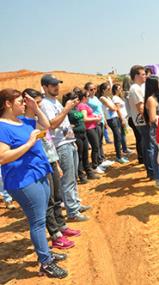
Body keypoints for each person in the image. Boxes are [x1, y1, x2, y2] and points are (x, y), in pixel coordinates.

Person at [0, 88, 68, 278]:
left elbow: (46, 126)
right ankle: (45, 263)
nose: (23, 104)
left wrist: (35, 108)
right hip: (24, 181)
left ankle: (45, 254)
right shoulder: (2, 127)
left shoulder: (22, 121)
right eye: (20, 101)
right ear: (7, 104)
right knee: (37, 222)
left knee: (42, 216)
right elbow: (3, 157)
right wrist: (29, 144)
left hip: (39, 174)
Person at [24, 88, 81, 250]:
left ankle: (61, 226)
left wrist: (55, 163)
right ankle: (55, 234)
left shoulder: (38, 118)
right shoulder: (24, 122)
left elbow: (47, 133)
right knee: (48, 201)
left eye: (40, 103)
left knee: (57, 197)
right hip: (40, 164)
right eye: (37, 103)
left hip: (51, 160)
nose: (40, 106)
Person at [40, 74, 90, 222]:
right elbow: (52, 124)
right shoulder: (45, 104)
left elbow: (64, 123)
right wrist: (67, 109)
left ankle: (75, 203)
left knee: (73, 177)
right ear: (45, 87)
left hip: (68, 141)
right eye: (53, 84)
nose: (57, 87)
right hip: (60, 145)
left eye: (57, 84)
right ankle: (73, 212)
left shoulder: (54, 101)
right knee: (68, 180)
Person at [128, 65, 153, 178]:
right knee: (149, 147)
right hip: (143, 121)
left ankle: (151, 171)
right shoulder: (135, 89)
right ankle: (152, 172)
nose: (145, 76)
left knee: (146, 146)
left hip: (141, 121)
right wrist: (150, 120)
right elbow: (141, 108)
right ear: (136, 75)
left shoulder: (137, 88)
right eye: (143, 74)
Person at [85, 82, 114, 170]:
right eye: (91, 89)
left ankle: (101, 159)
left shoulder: (96, 98)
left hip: (100, 121)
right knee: (96, 144)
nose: (93, 91)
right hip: (94, 123)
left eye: (94, 89)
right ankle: (96, 163)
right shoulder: (87, 100)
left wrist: (104, 120)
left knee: (100, 142)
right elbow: (87, 112)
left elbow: (100, 109)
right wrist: (95, 118)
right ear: (87, 90)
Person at [98, 82, 129, 164]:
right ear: (103, 90)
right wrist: (114, 107)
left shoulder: (108, 97)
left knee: (118, 137)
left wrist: (114, 107)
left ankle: (120, 155)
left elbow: (114, 108)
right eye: (108, 89)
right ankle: (119, 157)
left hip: (115, 118)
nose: (110, 90)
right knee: (118, 137)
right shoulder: (102, 98)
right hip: (111, 119)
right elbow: (113, 108)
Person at [76, 88, 104, 174]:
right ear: (84, 97)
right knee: (95, 147)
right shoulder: (82, 106)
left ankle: (95, 165)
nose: (88, 98)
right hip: (89, 128)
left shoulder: (83, 104)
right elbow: (84, 119)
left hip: (92, 127)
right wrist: (95, 119)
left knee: (96, 146)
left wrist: (95, 117)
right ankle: (95, 166)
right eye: (87, 96)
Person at [112, 84, 132, 156]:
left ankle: (125, 148)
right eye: (118, 88)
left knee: (123, 133)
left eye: (120, 88)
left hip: (123, 117)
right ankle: (124, 149)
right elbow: (118, 110)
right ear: (115, 90)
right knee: (122, 134)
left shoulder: (118, 97)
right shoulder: (115, 98)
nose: (120, 89)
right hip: (120, 118)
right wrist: (122, 119)